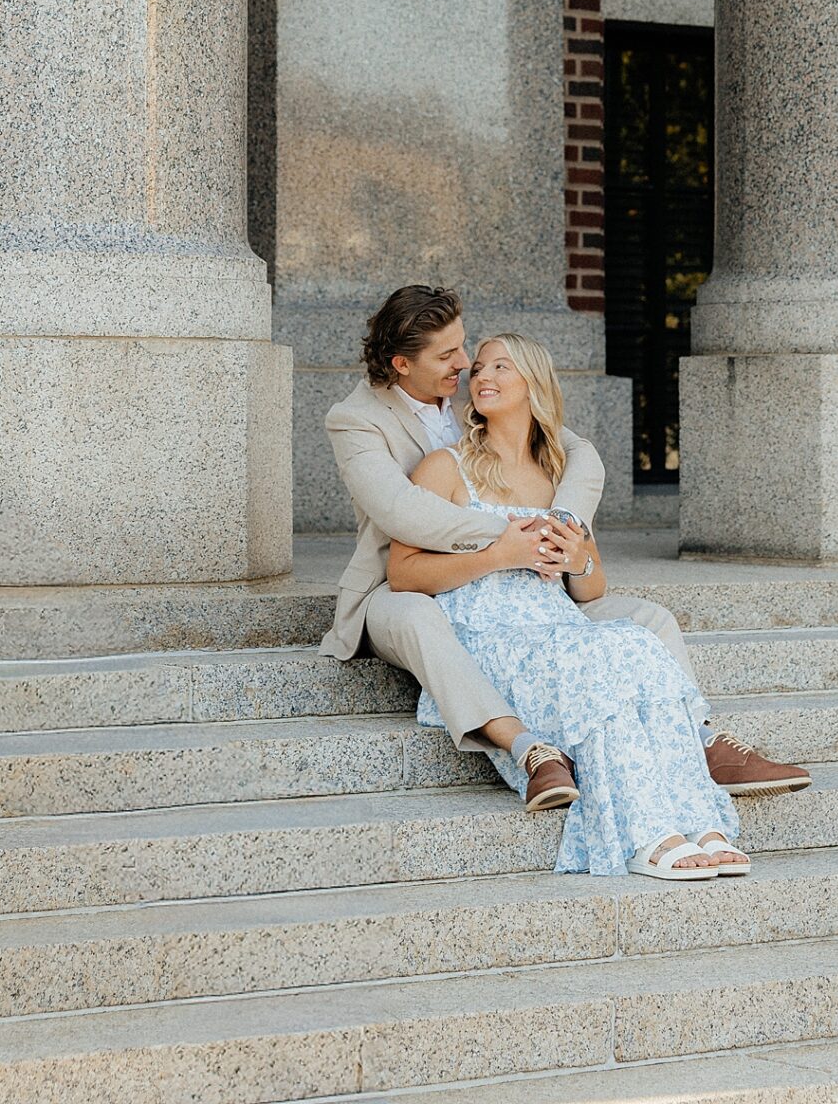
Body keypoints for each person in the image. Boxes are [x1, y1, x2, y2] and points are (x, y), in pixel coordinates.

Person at [320, 283, 809, 820]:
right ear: (401, 364)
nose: (467, 364)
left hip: (523, 581)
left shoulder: (473, 401)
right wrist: (508, 537)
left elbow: (573, 448)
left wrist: (566, 534)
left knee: (647, 619)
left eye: (471, 352)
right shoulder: (357, 419)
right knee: (417, 615)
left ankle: (704, 737)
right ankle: (524, 745)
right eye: (450, 355)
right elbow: (400, 512)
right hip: (396, 586)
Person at [393, 332, 745, 877]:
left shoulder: (558, 477)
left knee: (631, 643)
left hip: (558, 629)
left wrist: (576, 559)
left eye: (501, 367)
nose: (482, 376)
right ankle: (648, 836)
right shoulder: (446, 467)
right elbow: (403, 572)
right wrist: (498, 554)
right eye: (479, 367)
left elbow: (592, 589)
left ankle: (700, 823)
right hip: (492, 638)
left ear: (534, 383)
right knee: (603, 662)